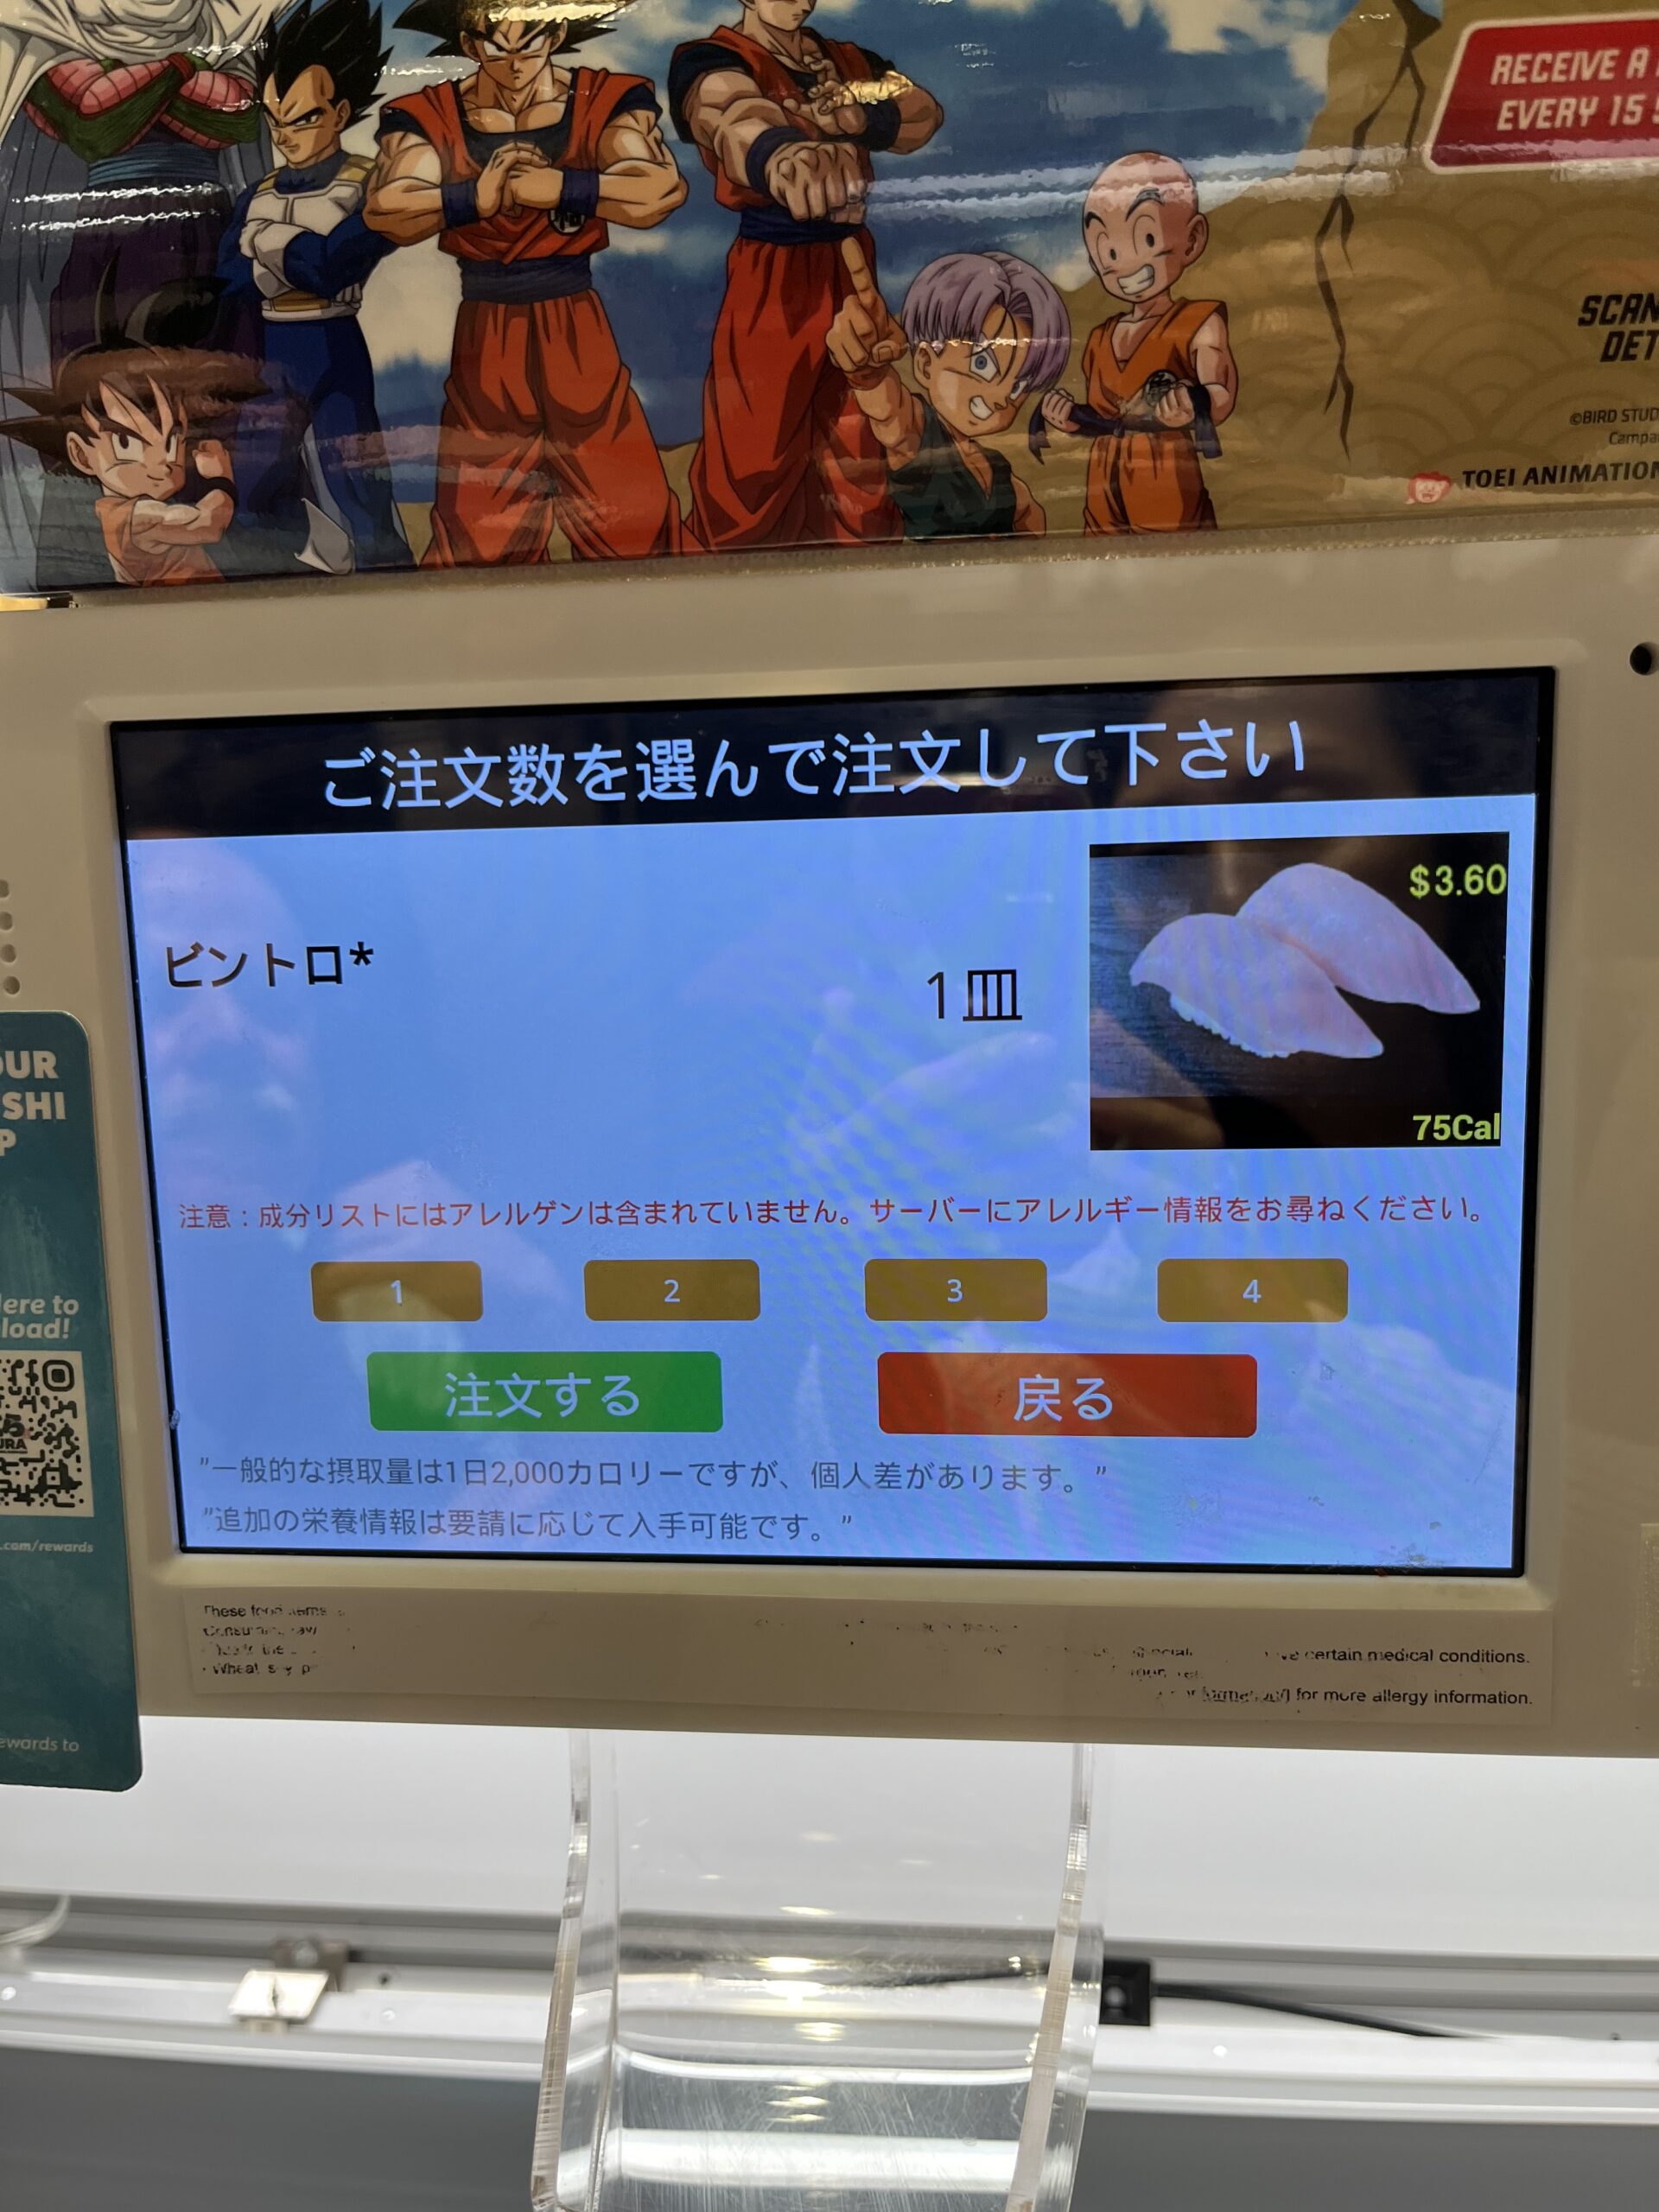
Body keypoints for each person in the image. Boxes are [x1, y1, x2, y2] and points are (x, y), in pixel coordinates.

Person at [364, 0, 694, 566]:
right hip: (486, 330)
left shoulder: (602, 99)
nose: (515, 61)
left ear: (555, 33)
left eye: (530, 40)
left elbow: (657, 189)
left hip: (576, 325)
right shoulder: (429, 114)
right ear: (470, 44)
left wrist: (563, 187)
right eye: (497, 44)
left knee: (627, 509)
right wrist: (473, 198)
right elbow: (388, 207)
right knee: (480, 525)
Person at [670, 0, 941, 550]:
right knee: (754, 458)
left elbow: (923, 113)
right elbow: (729, 113)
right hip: (773, 277)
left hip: (853, 265)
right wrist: (781, 155)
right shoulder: (712, 59)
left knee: (861, 449)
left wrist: (862, 118)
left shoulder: (847, 60)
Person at [219, 0, 410, 573]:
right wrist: (292, 254)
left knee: (360, 491)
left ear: (341, 111)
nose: (285, 136)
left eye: (303, 119)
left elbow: (333, 268)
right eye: (275, 120)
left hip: (335, 344)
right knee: (252, 493)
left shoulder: (369, 183)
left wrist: (267, 240)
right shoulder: (257, 193)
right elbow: (230, 281)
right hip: (275, 350)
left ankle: (393, 593)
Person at [0, 268, 264, 587]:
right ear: (81, 454)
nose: (162, 462)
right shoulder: (132, 518)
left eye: (171, 441)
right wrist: (221, 479)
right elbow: (207, 525)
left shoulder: (130, 510)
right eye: (127, 444)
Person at [1039, 150, 1236, 535]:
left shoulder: (1198, 323)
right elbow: (1102, 417)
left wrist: (1192, 404)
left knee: (1171, 560)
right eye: (1109, 252)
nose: (1126, 263)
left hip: (1166, 481)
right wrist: (1071, 419)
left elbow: (1220, 393)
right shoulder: (1100, 338)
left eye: (1146, 238)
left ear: (1192, 240)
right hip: (1102, 486)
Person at [825, 241, 1068, 539]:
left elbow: (1028, 512)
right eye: (982, 363)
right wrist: (868, 372)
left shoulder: (996, 467)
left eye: (1019, 385)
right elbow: (888, 411)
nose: (1002, 397)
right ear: (926, 364)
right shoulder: (919, 434)